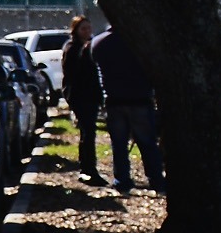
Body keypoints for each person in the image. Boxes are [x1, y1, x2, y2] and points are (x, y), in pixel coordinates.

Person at [89, 18, 158, 194]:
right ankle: (156, 179)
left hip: (114, 99)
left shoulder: (99, 43)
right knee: (147, 142)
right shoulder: (141, 42)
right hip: (140, 97)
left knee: (119, 144)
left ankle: (122, 180)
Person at [61, 10, 105, 185]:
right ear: (76, 30)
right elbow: (73, 74)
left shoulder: (90, 46)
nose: (87, 32)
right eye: (83, 29)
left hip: (91, 95)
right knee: (88, 131)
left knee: (88, 132)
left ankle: (88, 166)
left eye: (89, 28)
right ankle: (88, 168)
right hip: (80, 96)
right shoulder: (73, 49)